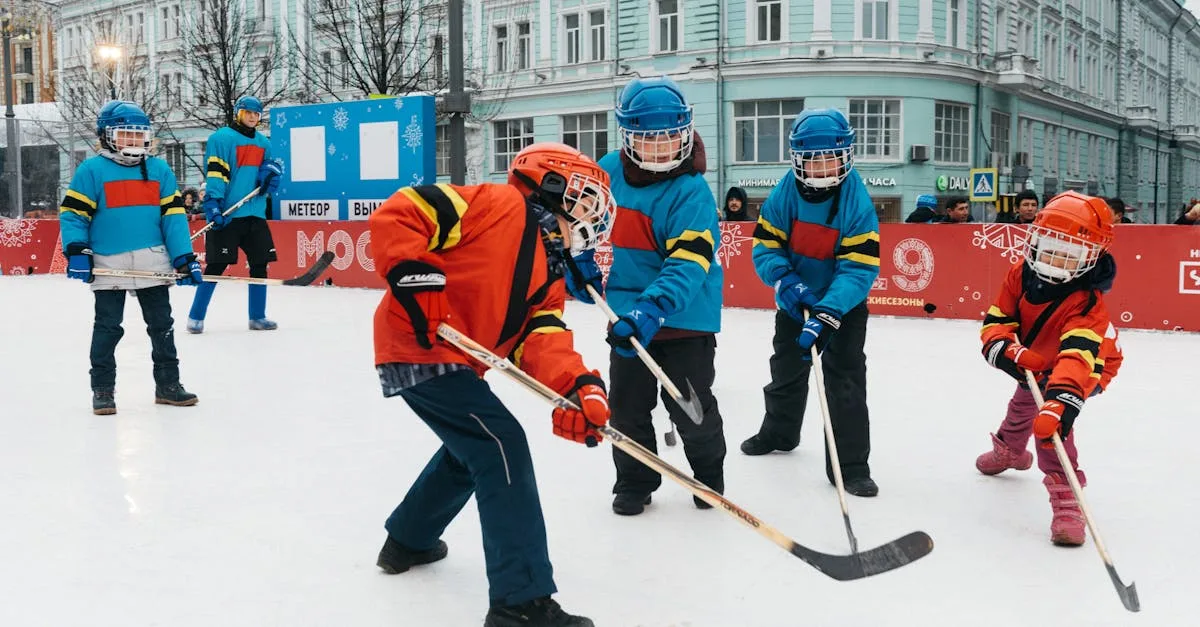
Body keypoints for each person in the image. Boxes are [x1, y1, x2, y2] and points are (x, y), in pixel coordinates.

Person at [369, 142, 616, 627]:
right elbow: (404, 211)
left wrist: (579, 386)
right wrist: (414, 274)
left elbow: (541, 337)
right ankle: (520, 602)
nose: (590, 217)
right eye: (586, 202)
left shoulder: (548, 273)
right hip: (418, 342)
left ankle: (408, 540)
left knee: (474, 450)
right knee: (500, 443)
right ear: (552, 184)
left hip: (455, 360)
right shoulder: (497, 206)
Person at [598, 75, 726, 516]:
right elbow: (578, 224)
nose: (661, 148)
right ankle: (634, 480)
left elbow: (689, 262)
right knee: (627, 408)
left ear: (686, 131)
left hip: (685, 313)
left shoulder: (691, 191)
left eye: (671, 136)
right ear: (627, 137)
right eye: (648, 139)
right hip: (627, 313)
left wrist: (653, 307)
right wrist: (572, 259)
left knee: (690, 408)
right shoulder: (607, 173)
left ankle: (708, 476)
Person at [740, 108, 882, 497]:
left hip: (842, 308)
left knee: (845, 382)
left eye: (830, 158)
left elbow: (858, 268)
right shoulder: (784, 192)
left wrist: (829, 311)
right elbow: (766, 245)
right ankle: (779, 433)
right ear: (797, 159)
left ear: (846, 155)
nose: (822, 167)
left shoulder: (857, 202)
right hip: (796, 302)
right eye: (812, 159)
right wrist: (785, 281)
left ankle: (850, 466)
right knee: (786, 370)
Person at [974, 191, 1123, 546]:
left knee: (1051, 426)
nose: (1055, 258)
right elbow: (997, 319)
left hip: (1088, 364)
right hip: (1038, 358)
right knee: (1024, 399)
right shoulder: (1019, 274)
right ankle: (1010, 448)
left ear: (1090, 257)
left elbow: (1078, 355)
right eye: (1049, 244)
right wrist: (1007, 347)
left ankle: (1067, 499)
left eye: (1069, 253)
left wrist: (1061, 399)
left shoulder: (1087, 303)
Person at [58, 100, 203, 415]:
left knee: (162, 325)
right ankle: (103, 390)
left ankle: (168, 385)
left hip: (154, 261)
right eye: (127, 135)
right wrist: (76, 250)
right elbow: (73, 215)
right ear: (107, 136)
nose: (135, 141)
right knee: (108, 327)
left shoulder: (159, 170)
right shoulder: (91, 171)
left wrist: (183, 258)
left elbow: (173, 218)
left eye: (140, 135)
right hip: (110, 264)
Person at [186, 95, 285, 333]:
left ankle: (257, 316)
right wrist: (213, 203)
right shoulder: (222, 138)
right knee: (216, 267)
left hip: (255, 212)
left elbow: (269, 170)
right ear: (238, 113)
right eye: (247, 112)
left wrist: (271, 176)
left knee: (260, 264)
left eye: (256, 113)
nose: (252, 117)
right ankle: (195, 317)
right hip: (228, 212)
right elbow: (216, 173)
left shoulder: (264, 143)